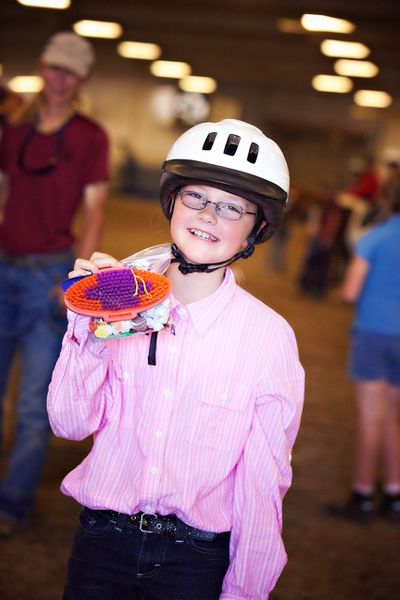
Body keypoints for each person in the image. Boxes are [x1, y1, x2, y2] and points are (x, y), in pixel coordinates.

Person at [47, 119, 304, 599]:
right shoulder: (118, 300)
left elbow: (263, 483)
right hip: (104, 543)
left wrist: (245, 590)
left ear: (257, 226)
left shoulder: (268, 340)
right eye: (196, 197)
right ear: (173, 200)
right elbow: (69, 423)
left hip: (195, 560)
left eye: (232, 207)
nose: (209, 215)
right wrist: (88, 323)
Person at [0, 31, 109, 536]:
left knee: (32, 404)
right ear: (43, 68)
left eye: (69, 71)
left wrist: (74, 278)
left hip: (48, 272)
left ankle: (13, 502)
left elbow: (96, 209)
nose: (59, 79)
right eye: (53, 68)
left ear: (81, 78)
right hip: (3, 265)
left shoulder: (90, 136)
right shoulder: (14, 128)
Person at [328, 177, 400, 524]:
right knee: (392, 417)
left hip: (374, 334)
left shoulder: (375, 238)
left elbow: (350, 291)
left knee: (372, 417)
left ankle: (362, 495)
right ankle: (394, 494)